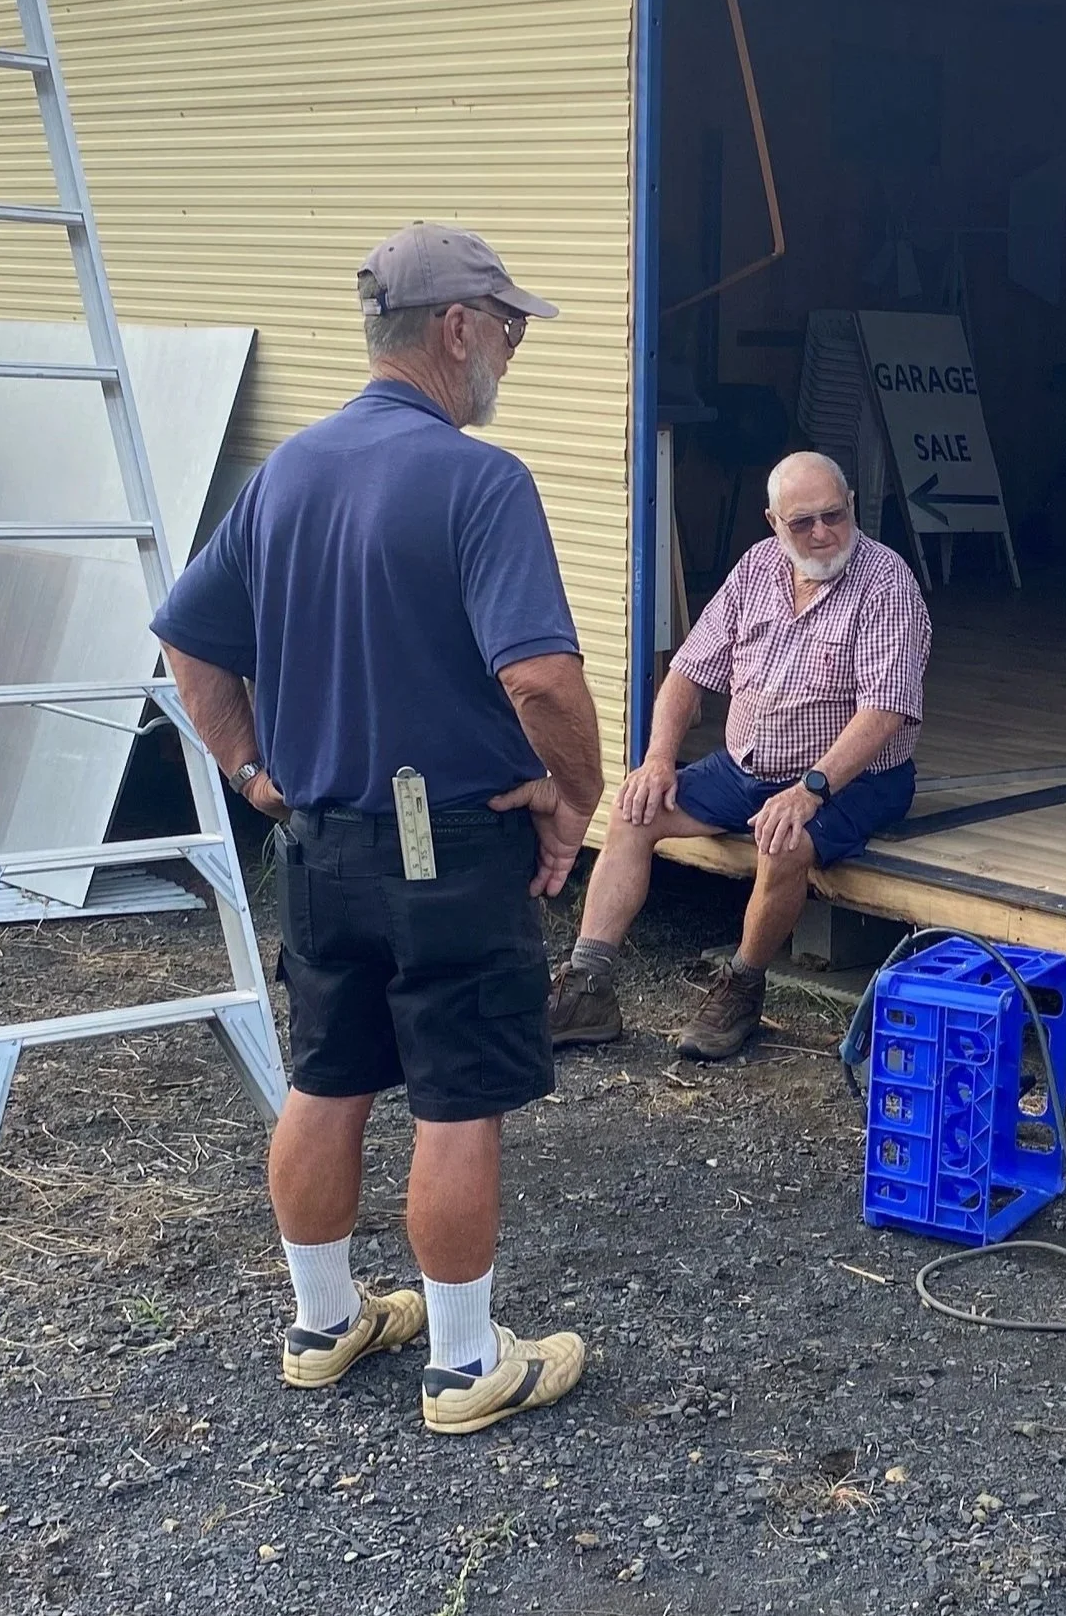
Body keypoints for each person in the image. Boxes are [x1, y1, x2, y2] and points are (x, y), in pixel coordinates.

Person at [151, 223, 605, 1434]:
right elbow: (546, 681)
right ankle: (464, 1362)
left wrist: (252, 769)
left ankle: (322, 1321)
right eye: (505, 327)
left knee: (330, 1072)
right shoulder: (477, 479)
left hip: (321, 839)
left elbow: (188, 639)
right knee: (457, 1094)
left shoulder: (289, 470)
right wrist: (577, 797)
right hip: (445, 843)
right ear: (455, 328)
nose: (511, 349)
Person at [547, 451, 931, 1061]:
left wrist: (810, 790)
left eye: (834, 515)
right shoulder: (756, 568)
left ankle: (743, 988)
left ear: (852, 505)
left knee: (783, 840)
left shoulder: (887, 583)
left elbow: (883, 712)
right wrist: (658, 759)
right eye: (802, 522)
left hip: (854, 777)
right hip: (745, 764)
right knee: (634, 810)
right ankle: (589, 988)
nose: (823, 533)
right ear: (773, 522)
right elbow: (686, 672)